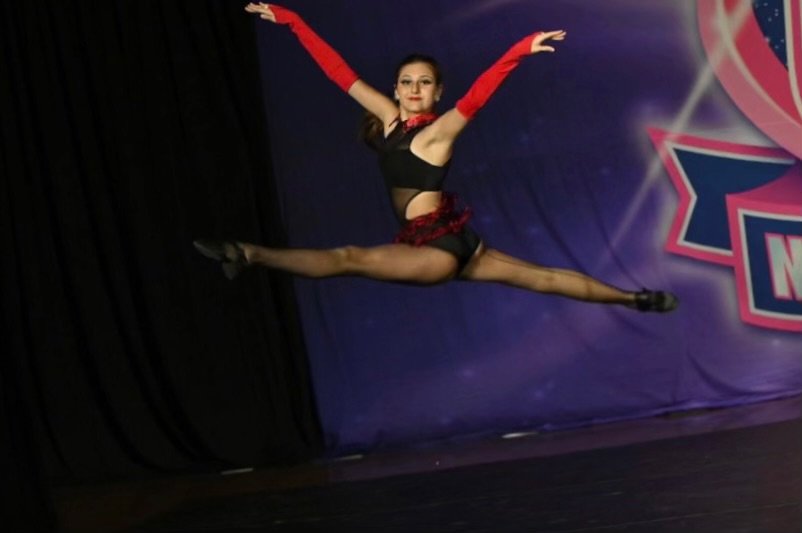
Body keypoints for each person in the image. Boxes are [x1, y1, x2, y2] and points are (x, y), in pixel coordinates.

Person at [194, 2, 678, 312]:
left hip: (440, 252)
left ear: (437, 92)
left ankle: (246, 253)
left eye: (424, 83)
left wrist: (518, 50)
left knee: (350, 258)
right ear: (395, 89)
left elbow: (478, 96)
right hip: (455, 240)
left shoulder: (438, 134)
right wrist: (295, 22)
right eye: (406, 82)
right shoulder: (388, 118)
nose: (413, 89)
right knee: (544, 278)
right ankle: (634, 299)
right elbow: (339, 72)